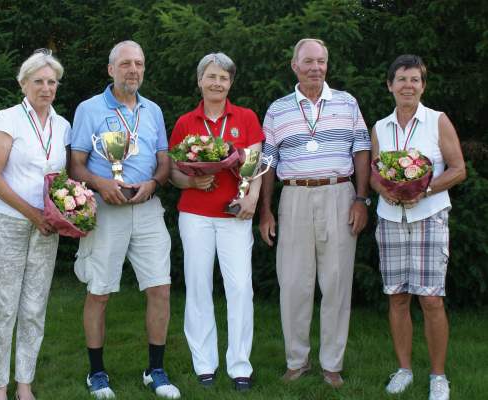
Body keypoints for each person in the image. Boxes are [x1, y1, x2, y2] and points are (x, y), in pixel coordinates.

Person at [69, 40, 180, 399]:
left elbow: (164, 159)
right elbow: (76, 164)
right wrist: (101, 184)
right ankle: (96, 373)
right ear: (110, 69)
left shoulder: (153, 110)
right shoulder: (89, 109)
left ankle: (156, 370)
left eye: (139, 64)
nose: (134, 70)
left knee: (160, 289)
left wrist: (154, 182)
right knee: (99, 292)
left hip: (147, 208)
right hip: (107, 210)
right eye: (126, 64)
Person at [259, 38, 371, 388]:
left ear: (327, 64)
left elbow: (362, 151)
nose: (315, 67)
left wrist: (361, 200)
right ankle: (297, 361)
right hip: (294, 197)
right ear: (294, 65)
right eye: (308, 61)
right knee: (293, 283)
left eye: (321, 61)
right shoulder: (278, 109)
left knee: (336, 284)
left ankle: (332, 364)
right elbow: (267, 162)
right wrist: (265, 211)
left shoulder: (347, 103)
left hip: (340, 194)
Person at [371, 54, 465, 400]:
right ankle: (404, 370)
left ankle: (438, 377)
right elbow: (374, 175)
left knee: (430, 300)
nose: (408, 85)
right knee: (397, 297)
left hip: (430, 218)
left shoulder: (437, 121)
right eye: (401, 79)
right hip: (391, 219)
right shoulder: (380, 127)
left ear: (422, 85)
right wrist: (391, 191)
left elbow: (458, 169)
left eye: (414, 79)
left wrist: (422, 189)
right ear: (390, 85)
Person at [168, 53, 264, 391]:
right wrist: (192, 181)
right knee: (198, 287)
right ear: (200, 80)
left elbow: (254, 165)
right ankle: (204, 362)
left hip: (234, 213)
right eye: (211, 76)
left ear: (230, 83)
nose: (216, 83)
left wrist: (250, 199)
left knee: (239, 288)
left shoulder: (247, 118)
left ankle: (240, 365)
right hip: (195, 213)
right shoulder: (185, 122)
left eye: (223, 78)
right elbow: (175, 172)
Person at [0, 49, 71, 400]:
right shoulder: (8, 119)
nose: (46, 88)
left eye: (52, 82)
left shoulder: (62, 125)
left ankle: (24, 383)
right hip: (8, 221)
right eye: (39, 81)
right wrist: (33, 213)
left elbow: (60, 178)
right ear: (24, 83)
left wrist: (65, 212)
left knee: (35, 306)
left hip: (47, 226)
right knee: (5, 305)